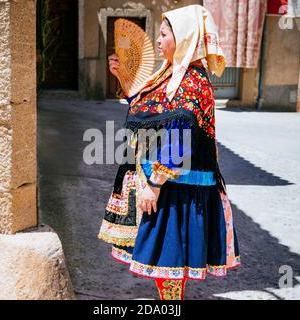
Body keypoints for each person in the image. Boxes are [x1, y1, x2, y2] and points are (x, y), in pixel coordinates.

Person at [98, 4, 241, 300]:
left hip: (176, 188)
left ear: (184, 37)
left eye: (164, 35)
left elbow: (180, 140)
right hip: (167, 184)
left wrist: (155, 184)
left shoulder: (191, 81)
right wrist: (123, 77)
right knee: (165, 266)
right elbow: (146, 109)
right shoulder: (171, 75)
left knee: (168, 263)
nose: (159, 41)